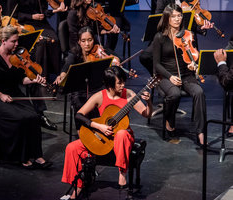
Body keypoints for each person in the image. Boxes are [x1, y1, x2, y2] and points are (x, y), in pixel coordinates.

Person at [61, 66, 152, 199]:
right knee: (71, 148)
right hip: (102, 135)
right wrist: (98, 126)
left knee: (121, 133)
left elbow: (147, 114)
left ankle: (122, 173)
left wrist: (148, 102)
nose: (123, 85)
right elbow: (79, 115)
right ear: (109, 85)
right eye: (119, 83)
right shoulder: (100, 96)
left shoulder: (129, 94)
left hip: (123, 137)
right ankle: (78, 186)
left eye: (123, 82)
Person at [0, 0, 57, 135]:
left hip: (15, 60)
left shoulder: (10, 21)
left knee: (32, 75)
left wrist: (35, 37)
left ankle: (40, 114)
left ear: (1, 8)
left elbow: (22, 37)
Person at [0, 25, 52, 168]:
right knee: (19, 118)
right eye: (13, 41)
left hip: (14, 94)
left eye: (17, 41)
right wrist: (1, 95)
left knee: (33, 115)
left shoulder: (16, 58)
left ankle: (37, 155)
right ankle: (18, 157)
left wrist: (34, 79)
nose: (17, 44)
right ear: (3, 41)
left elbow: (21, 79)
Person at [153, 3, 206, 146]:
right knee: (174, 94)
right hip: (166, 75)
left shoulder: (187, 34)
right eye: (173, 16)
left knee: (199, 92)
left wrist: (192, 64)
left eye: (179, 16)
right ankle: (169, 122)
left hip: (186, 75)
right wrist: (170, 77)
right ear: (167, 18)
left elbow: (192, 56)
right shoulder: (160, 37)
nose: (177, 19)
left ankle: (200, 132)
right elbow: (156, 64)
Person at [54, 26, 121, 131]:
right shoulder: (74, 53)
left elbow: (117, 58)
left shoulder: (99, 50)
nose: (87, 44)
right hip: (79, 91)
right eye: (83, 41)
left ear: (93, 40)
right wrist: (61, 76)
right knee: (80, 103)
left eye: (90, 40)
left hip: (97, 88)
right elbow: (66, 66)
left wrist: (113, 60)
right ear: (79, 42)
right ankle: (82, 132)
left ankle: (104, 129)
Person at [15, 0, 67, 79]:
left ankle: (58, 75)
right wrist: (31, 16)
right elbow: (14, 15)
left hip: (40, 23)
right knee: (41, 42)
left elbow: (44, 12)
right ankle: (42, 76)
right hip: (24, 24)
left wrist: (56, 10)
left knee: (54, 40)